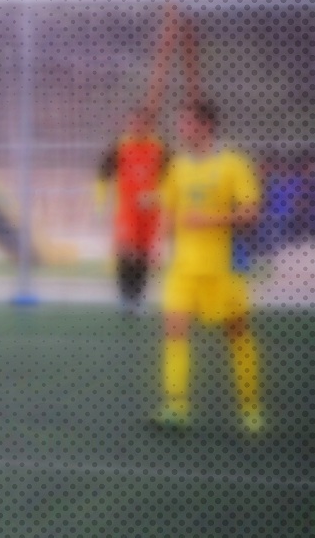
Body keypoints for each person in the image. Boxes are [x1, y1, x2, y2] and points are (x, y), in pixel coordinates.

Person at [154, 100, 264, 433]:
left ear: (206, 126)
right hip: (183, 268)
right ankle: (176, 408)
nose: (181, 129)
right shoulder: (177, 166)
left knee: (237, 333)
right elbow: (168, 209)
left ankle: (250, 409)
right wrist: (159, 242)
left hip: (223, 269)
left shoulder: (234, 164)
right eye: (181, 123)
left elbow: (250, 214)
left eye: (187, 123)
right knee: (174, 329)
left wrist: (210, 220)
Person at [96, 108, 169, 314]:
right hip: (126, 211)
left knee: (144, 254)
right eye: (133, 123)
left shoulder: (159, 148)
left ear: (150, 126)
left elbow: (171, 179)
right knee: (127, 250)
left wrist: (158, 197)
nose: (136, 127)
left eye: (141, 123)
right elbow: (103, 174)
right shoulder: (120, 147)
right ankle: (125, 296)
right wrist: (100, 204)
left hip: (150, 212)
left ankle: (137, 297)